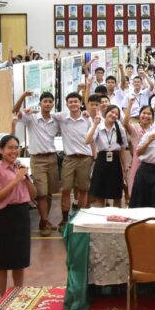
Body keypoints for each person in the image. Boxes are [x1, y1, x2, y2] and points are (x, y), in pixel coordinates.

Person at [0, 134, 36, 295]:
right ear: (1, 150)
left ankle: (17, 295)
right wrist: (15, 180)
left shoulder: (20, 168)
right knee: (2, 262)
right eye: (10, 148)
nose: (14, 151)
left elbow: (34, 194)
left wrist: (25, 178)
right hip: (4, 216)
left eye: (16, 148)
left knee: (19, 262)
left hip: (21, 215)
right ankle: (3, 298)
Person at [13, 90, 61, 236]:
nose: (47, 104)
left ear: (53, 104)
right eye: (45, 101)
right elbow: (15, 111)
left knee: (50, 193)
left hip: (52, 158)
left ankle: (44, 220)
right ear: (40, 103)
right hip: (38, 160)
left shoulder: (55, 119)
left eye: (50, 102)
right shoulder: (31, 118)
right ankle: (45, 222)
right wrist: (23, 96)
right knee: (41, 193)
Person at [56, 93, 95, 225]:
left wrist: (94, 156)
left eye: (76, 101)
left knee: (84, 189)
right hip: (69, 158)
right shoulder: (62, 118)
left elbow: (92, 139)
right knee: (66, 189)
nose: (73, 104)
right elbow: (46, 112)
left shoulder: (87, 119)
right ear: (67, 104)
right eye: (70, 102)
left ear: (80, 103)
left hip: (85, 158)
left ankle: (80, 219)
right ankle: (64, 219)